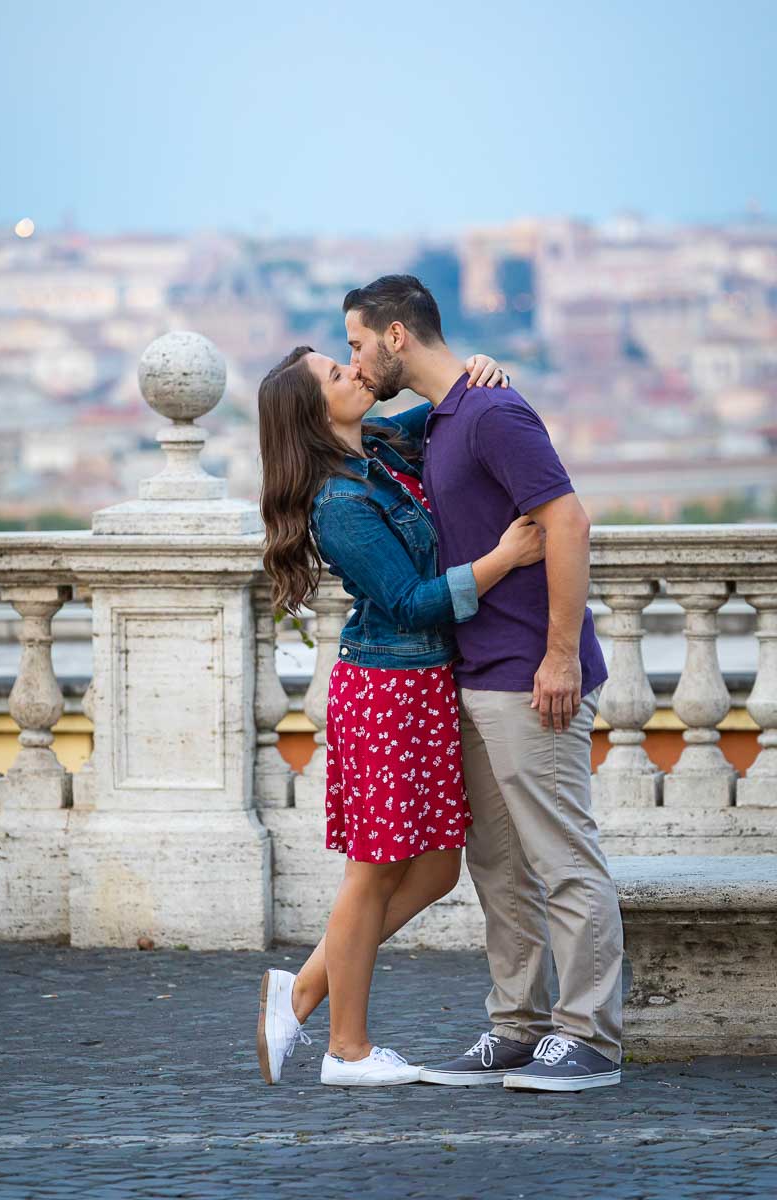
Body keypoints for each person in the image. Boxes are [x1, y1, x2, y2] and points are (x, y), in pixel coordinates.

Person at [342, 275, 624, 1093]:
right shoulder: (440, 420)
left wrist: (561, 654)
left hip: (532, 677)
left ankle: (590, 1039)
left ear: (397, 335)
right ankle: (518, 1028)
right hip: (473, 673)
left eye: (359, 343)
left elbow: (568, 521)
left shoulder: (492, 411)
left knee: (562, 858)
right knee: (498, 867)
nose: (357, 362)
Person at [256, 347, 546, 1088]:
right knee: (374, 872)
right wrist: (504, 558)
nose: (353, 373)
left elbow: (447, 402)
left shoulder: (381, 447)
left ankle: (301, 990)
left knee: (438, 868)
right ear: (314, 415)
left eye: (343, 361)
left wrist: (478, 366)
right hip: (386, 691)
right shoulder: (340, 502)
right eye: (335, 375)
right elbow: (413, 600)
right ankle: (346, 1050)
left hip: (421, 688)